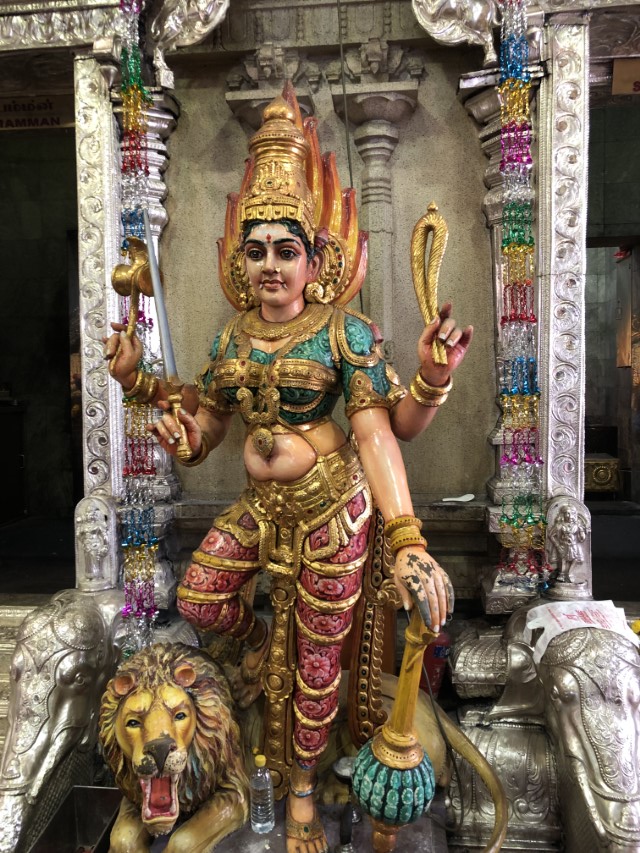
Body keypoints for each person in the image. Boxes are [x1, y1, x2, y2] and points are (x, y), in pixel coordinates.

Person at [105, 84, 472, 853]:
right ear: (240, 261)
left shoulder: (345, 333)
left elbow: (382, 434)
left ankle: (302, 792)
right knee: (201, 594)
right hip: (260, 507)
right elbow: (209, 424)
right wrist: (171, 422)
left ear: (315, 259)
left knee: (316, 663)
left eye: (285, 249)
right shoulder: (231, 336)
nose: (270, 265)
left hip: (334, 511)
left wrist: (407, 532)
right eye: (256, 250)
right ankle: (255, 656)